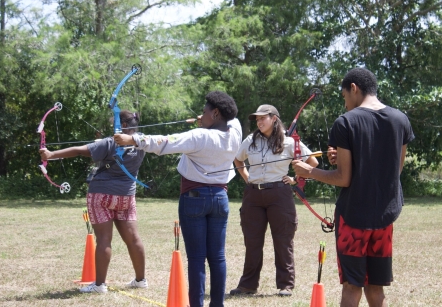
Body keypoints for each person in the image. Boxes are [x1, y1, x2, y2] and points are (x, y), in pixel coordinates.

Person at [292, 68, 415, 307]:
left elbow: (343, 178)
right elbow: (394, 170)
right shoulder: (401, 119)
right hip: (384, 217)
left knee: (351, 286)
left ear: (354, 89)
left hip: (354, 217)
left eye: (345, 96)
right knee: (376, 288)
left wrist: (309, 172)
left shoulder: (345, 122)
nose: (346, 103)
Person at [113, 91, 241, 307]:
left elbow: (164, 142)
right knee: (217, 257)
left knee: (197, 258)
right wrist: (207, 120)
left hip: (194, 199)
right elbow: (233, 119)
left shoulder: (199, 136)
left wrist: (132, 139)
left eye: (205, 111)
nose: (201, 115)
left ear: (216, 112)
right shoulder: (235, 133)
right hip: (220, 199)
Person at [39, 110, 148, 294]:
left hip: (101, 195)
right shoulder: (143, 141)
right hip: (126, 197)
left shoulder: (110, 142)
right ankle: (140, 280)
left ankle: (99, 285)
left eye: (116, 123)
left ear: (124, 125)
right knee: (133, 239)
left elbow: (79, 151)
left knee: (104, 239)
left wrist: (50, 155)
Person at [229, 104, 319, 297]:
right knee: (252, 242)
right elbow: (238, 160)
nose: (259, 122)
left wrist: (296, 179)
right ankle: (247, 286)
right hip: (253, 196)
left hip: (280, 195)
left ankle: (286, 285)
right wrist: (247, 178)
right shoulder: (250, 140)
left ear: (274, 119)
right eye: (257, 119)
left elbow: (313, 162)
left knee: (283, 241)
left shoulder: (289, 142)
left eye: (263, 118)